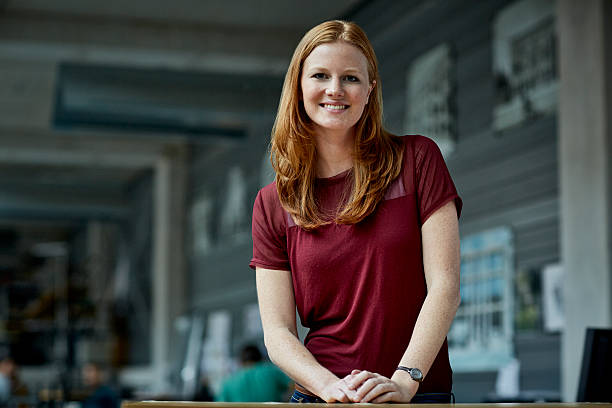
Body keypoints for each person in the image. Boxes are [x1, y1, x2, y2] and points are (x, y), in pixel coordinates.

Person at [250, 20, 462, 404]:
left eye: (350, 77)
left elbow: (445, 286)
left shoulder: (417, 160)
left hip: (416, 395)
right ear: (299, 87)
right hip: (323, 399)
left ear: (370, 90)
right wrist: (330, 388)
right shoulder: (272, 203)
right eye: (320, 75)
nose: (335, 89)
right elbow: (278, 333)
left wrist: (404, 380)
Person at [215, 344, 291, 402]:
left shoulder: (229, 382)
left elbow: (220, 404)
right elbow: (294, 387)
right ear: (261, 358)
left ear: (240, 361)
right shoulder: (271, 372)